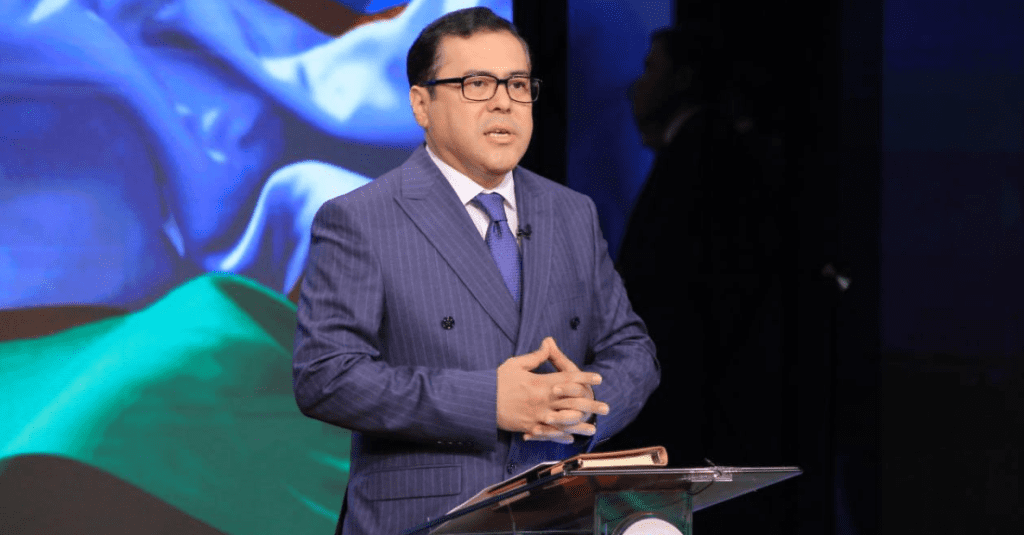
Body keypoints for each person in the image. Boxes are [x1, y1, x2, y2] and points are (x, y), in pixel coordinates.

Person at [292, 7, 660, 535]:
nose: (503, 101)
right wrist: (489, 402)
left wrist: (584, 407)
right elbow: (325, 376)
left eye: (517, 84)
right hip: (427, 519)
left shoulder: (571, 212)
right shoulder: (360, 218)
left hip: (557, 516)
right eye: (477, 84)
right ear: (422, 104)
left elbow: (632, 348)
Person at [610, 23, 792, 534]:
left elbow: (677, 302)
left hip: (682, 423)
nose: (636, 85)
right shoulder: (702, 152)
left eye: (651, 68)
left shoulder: (702, 158)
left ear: (684, 77)